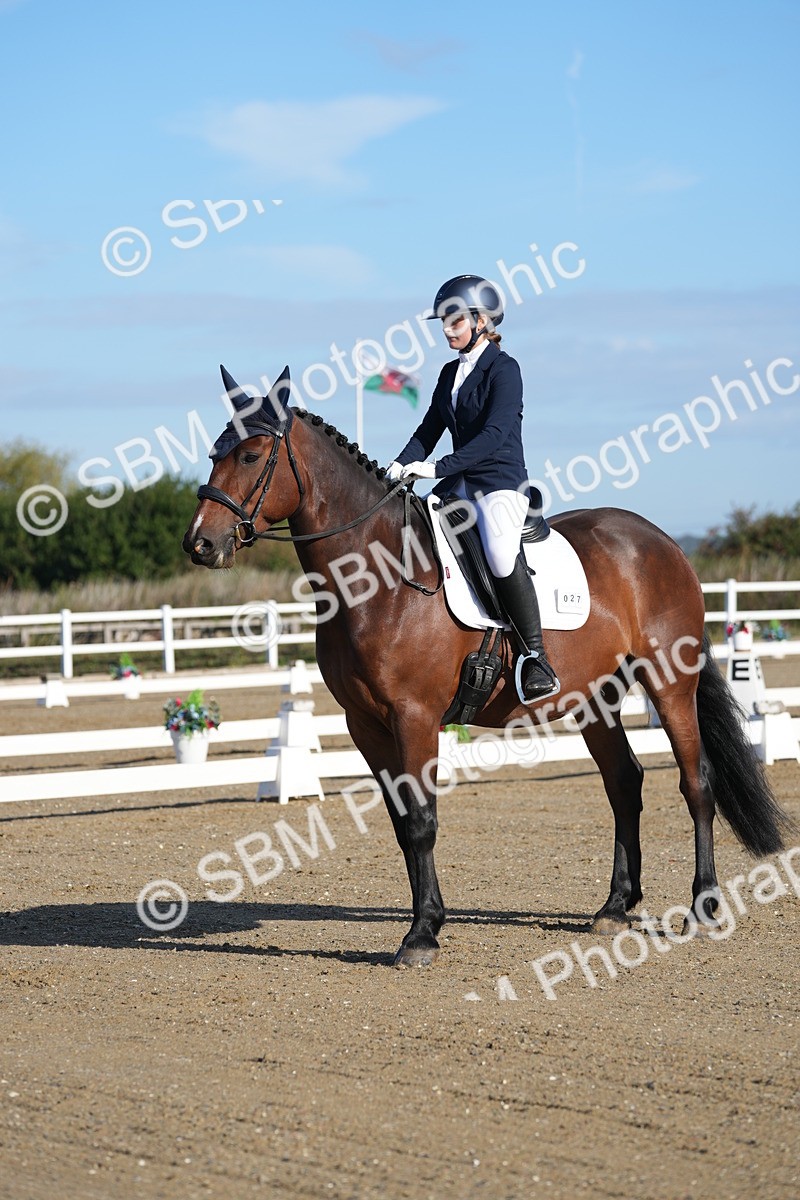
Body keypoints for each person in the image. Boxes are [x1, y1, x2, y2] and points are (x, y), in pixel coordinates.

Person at [386, 274, 559, 702]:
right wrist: (397, 464)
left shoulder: (505, 369)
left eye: (455, 321)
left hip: (500, 482)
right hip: (460, 484)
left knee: (501, 552)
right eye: (443, 322)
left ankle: (535, 657)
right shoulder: (449, 373)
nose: (447, 329)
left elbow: (495, 435)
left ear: (482, 320)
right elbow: (428, 429)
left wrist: (436, 467)